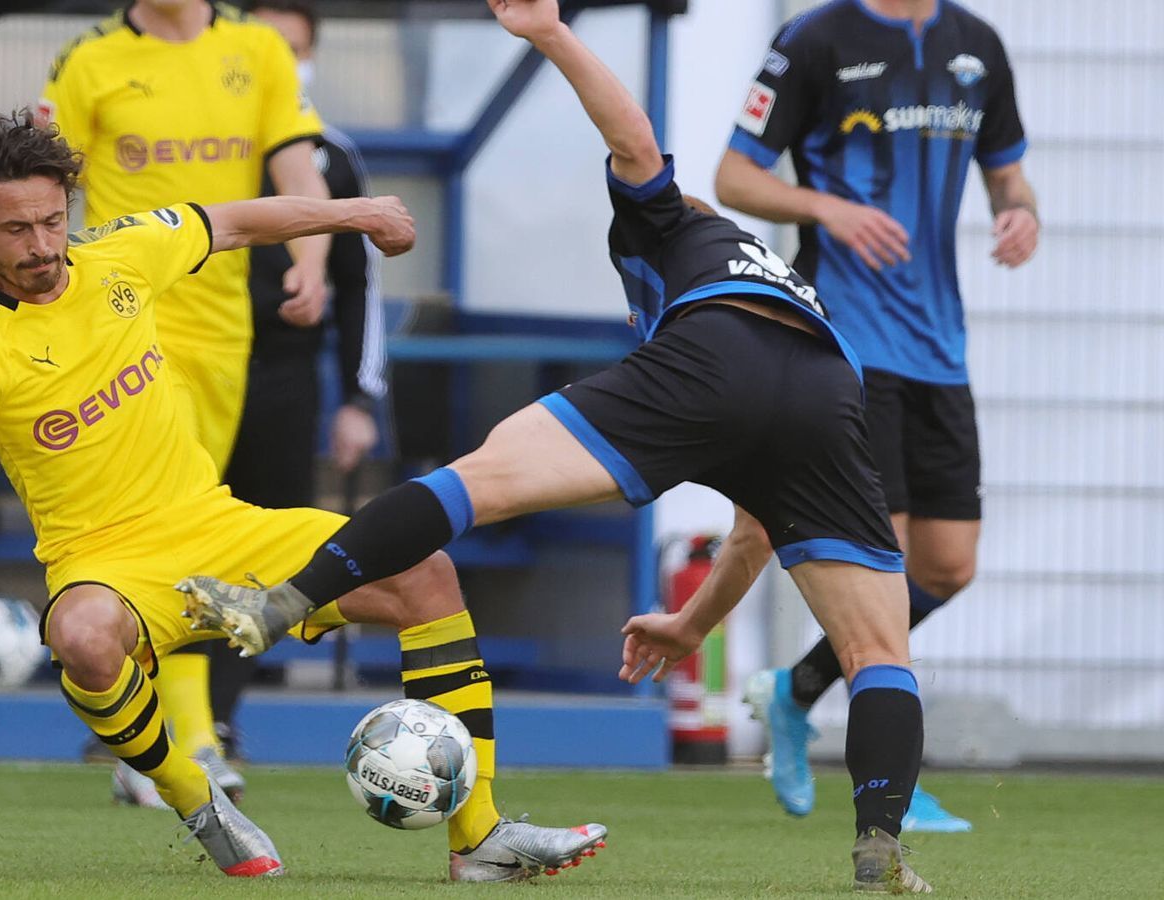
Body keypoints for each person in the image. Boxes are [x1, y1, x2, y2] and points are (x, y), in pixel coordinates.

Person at [181, 0, 934, 892]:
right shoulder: (774, 276)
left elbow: (632, 135)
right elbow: (754, 529)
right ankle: (880, 842)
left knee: (474, 482)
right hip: (826, 388)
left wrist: (548, 32)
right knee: (879, 652)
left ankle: (278, 605)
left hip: (713, 353)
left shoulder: (672, 223)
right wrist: (691, 625)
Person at [0, 112, 606, 882]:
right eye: (16, 230)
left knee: (423, 570)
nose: (41, 245)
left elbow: (236, 222)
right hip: (105, 564)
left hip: (218, 527)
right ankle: (196, 800)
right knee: (84, 637)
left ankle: (480, 840)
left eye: (51, 220)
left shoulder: (121, 254)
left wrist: (354, 213)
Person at [714, 0, 1037, 831]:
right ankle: (895, 779)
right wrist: (827, 208)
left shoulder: (978, 45)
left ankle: (794, 691)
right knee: (882, 570)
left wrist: (1021, 212)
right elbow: (733, 177)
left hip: (941, 347)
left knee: (948, 564)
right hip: (850, 344)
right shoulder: (816, 38)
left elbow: (1007, 169)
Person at [37, 0, 334, 801]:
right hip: (124, 328)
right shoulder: (90, 61)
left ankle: (160, 740)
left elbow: (296, 165)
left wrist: (313, 258)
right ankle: (188, 744)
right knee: (159, 529)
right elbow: (37, 200)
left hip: (221, 330)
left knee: (196, 528)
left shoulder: (257, 50)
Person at [178, 0, 387, 758]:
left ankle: (220, 720)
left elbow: (361, 285)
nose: (281, 62)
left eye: (294, 50)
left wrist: (359, 398)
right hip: (189, 363)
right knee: (175, 541)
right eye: (268, 46)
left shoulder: (329, 155)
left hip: (284, 380)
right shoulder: (203, 139)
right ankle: (160, 720)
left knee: (260, 556)